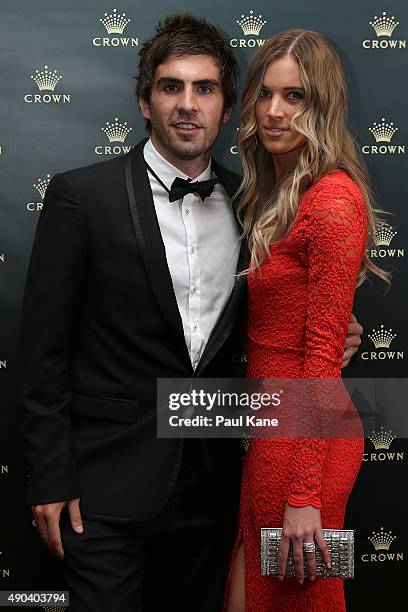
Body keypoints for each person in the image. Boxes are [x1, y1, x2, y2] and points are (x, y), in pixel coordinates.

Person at [20, 15, 362, 612]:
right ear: (145, 101)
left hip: (216, 485)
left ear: (227, 107)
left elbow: (292, 319)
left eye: (205, 88)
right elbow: (42, 351)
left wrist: (331, 339)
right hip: (105, 487)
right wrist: (50, 476)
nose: (187, 104)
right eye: (170, 86)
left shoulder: (251, 203)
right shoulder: (82, 196)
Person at [224, 29, 389, 612]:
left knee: (301, 598)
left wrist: (304, 494)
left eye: (293, 96)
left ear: (322, 104)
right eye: (264, 94)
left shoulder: (333, 200)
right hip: (273, 427)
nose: (273, 111)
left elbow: (320, 357)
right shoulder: (279, 193)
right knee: (255, 595)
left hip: (304, 440)